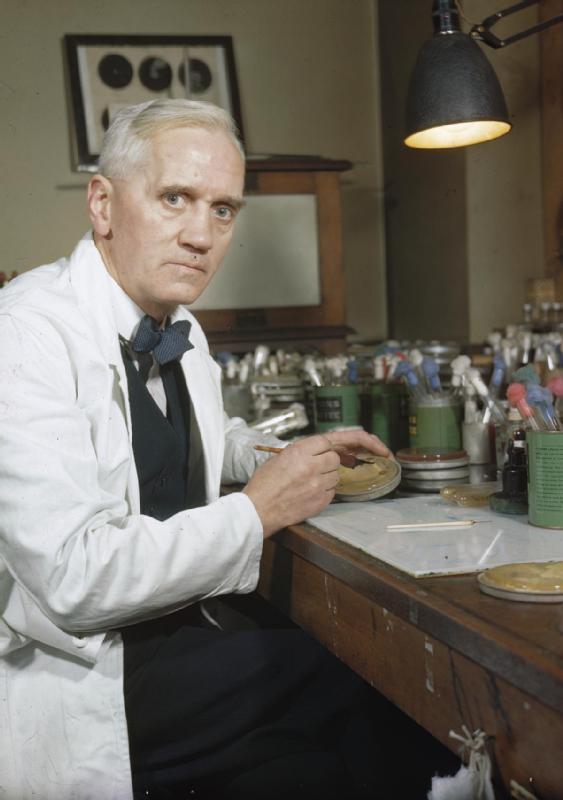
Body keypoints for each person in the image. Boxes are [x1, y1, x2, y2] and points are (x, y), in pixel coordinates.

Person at [0, 98, 395, 799]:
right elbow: (71, 579)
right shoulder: (24, 335)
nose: (200, 234)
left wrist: (268, 458)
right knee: (359, 681)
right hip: (94, 669)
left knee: (314, 751)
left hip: (176, 629)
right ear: (102, 204)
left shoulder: (176, 324)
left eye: (222, 209)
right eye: (174, 198)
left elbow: (172, 438)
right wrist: (254, 511)